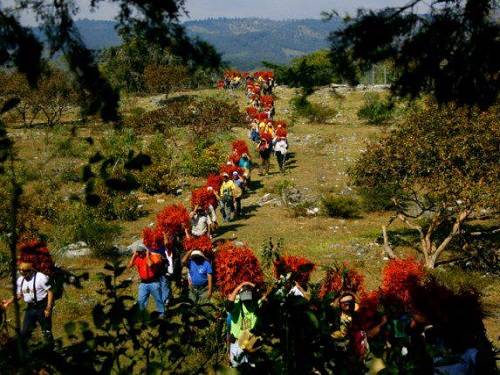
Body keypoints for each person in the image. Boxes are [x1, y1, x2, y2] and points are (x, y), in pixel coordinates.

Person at [2, 262, 54, 346]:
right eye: (20, 271)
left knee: (46, 330)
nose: (22, 274)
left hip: (42, 306)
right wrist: (9, 302)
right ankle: (25, 352)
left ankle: (51, 349)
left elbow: (50, 291)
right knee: (25, 332)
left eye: (24, 272)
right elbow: (19, 295)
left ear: (30, 271)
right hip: (30, 308)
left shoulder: (40, 278)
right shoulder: (21, 280)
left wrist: (48, 307)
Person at [226, 282, 260, 367]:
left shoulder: (255, 305)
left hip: (249, 341)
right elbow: (229, 306)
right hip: (237, 343)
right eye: (245, 300)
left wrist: (251, 284)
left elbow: (262, 294)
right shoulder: (237, 307)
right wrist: (238, 288)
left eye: (249, 300)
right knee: (238, 365)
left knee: (250, 366)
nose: (247, 302)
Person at [128, 245, 165, 317]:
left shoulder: (152, 257)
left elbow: (150, 264)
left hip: (153, 282)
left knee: (158, 299)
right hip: (143, 283)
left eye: (140, 252)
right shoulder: (138, 258)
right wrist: (134, 255)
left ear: (145, 251)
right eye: (138, 253)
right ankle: (142, 313)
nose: (139, 254)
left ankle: (162, 312)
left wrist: (147, 255)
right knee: (141, 299)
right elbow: (129, 265)